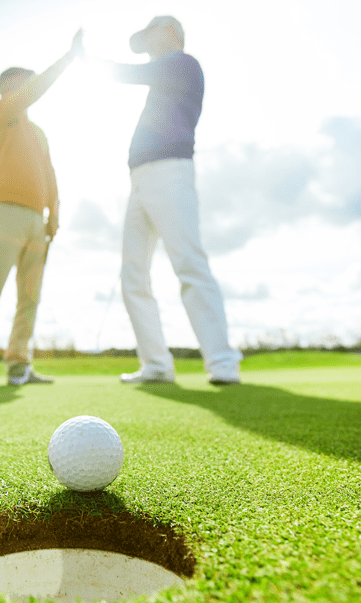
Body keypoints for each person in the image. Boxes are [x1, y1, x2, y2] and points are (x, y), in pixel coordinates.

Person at [97, 16, 242, 385]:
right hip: (140, 179)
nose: (147, 39)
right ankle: (157, 364)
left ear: (172, 32)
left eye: (153, 32)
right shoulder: (164, 69)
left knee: (188, 261)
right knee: (133, 275)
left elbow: (129, 72)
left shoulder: (182, 63)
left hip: (169, 171)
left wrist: (89, 63)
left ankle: (222, 360)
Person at [0, 31, 83, 387]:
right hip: (6, 215)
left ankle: (18, 366)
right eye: (23, 81)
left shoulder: (39, 132)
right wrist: (66, 60)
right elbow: (32, 91)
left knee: (29, 298)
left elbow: (49, 175)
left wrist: (53, 215)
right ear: (7, 86)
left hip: (36, 222)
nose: (29, 85)